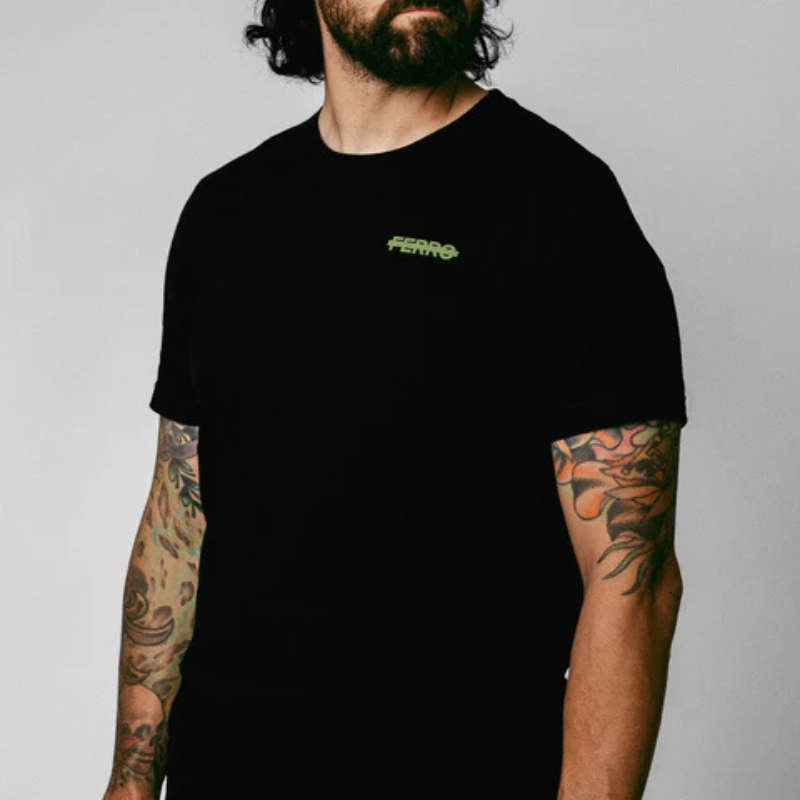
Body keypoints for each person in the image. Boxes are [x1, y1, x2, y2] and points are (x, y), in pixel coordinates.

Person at [103, 1, 688, 798]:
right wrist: (131, 781)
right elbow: (179, 519)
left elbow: (634, 580)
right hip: (226, 769)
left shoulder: (562, 204)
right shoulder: (226, 213)